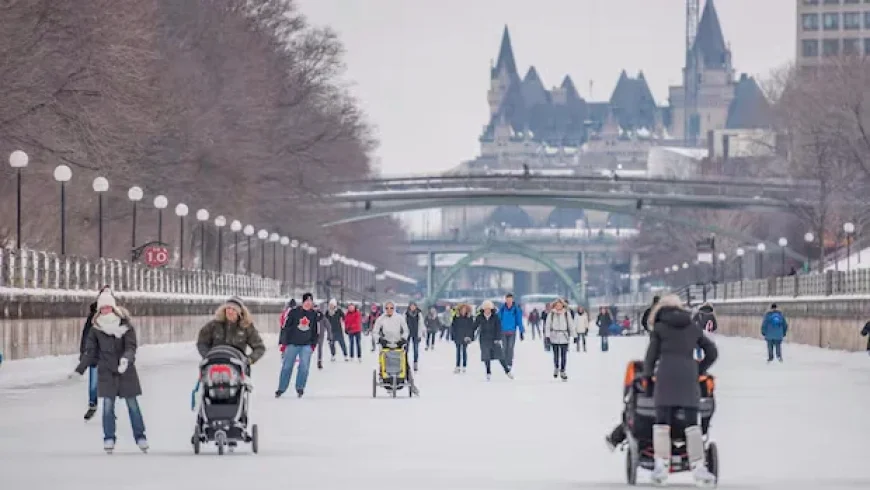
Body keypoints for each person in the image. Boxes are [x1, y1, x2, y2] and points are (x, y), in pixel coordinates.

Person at [640, 294, 718, 486]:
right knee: (692, 424)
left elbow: (651, 357)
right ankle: (698, 466)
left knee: (662, 422)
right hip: (688, 377)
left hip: (665, 376)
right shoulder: (692, 326)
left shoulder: (659, 328)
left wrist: (647, 378)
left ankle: (661, 465)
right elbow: (712, 352)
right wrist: (698, 369)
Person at [73, 289, 148, 453]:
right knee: (107, 406)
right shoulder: (96, 329)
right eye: (102, 308)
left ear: (113, 308)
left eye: (108, 307)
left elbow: (131, 346)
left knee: (133, 405)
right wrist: (80, 370)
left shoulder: (125, 326)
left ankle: (140, 436)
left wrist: (126, 359)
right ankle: (109, 438)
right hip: (106, 372)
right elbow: (90, 352)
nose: (105, 310)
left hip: (125, 371)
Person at [277, 292, 321, 398]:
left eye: (310, 301)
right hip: (292, 343)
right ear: (303, 302)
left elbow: (316, 330)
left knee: (304, 367)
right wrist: (283, 343)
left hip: (306, 344)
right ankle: (281, 388)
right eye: (306, 301)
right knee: (287, 366)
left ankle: (300, 387)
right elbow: (286, 327)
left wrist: (313, 344)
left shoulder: (314, 314)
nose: (308, 303)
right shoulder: (294, 312)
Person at [373, 301, 418, 395]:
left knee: (404, 363)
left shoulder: (399, 318)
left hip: (398, 344)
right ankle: (384, 378)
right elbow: (375, 332)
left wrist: (403, 339)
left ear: (394, 308)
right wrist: (379, 339)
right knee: (384, 362)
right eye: (387, 308)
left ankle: (411, 383)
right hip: (386, 344)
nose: (389, 310)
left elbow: (406, 330)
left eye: (391, 308)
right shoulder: (381, 319)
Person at [80, 285, 110, 421]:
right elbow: (86, 333)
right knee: (93, 383)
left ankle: (109, 409)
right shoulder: (93, 314)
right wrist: (83, 351)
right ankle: (92, 405)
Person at [475, 300, 512, 380]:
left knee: (500, 356)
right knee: (486, 356)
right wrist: (470, 335)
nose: (487, 310)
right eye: (485, 309)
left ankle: (507, 371)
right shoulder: (480, 317)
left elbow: (499, 328)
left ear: (491, 309)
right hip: (484, 339)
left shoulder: (495, 317)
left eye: (489, 308)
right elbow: (474, 327)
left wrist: (498, 338)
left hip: (494, 339)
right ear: (483, 309)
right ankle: (488, 372)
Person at [544, 298, 576, 380]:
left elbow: (571, 325)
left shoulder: (566, 314)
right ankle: (556, 367)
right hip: (554, 335)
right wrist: (547, 336)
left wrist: (574, 336)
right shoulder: (551, 314)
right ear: (554, 306)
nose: (558, 306)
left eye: (560, 305)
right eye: (557, 305)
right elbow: (547, 326)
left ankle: (563, 370)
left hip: (564, 336)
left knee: (563, 355)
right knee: (556, 355)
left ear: (563, 305)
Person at [497, 293, 525, 371]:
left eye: (510, 299)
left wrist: (521, 332)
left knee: (510, 348)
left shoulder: (516, 309)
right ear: (505, 300)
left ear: (512, 300)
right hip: (503, 331)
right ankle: (505, 363)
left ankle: (509, 363)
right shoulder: (502, 309)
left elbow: (519, 321)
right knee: (504, 348)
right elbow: (498, 319)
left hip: (512, 332)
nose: (509, 301)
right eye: (507, 299)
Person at [450, 303, 475, 373]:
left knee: (464, 351)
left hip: (466, 337)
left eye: (465, 309)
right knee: (458, 351)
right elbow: (453, 327)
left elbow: (471, 328)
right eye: (462, 309)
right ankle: (457, 366)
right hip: (458, 336)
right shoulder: (456, 317)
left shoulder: (469, 317)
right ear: (460, 310)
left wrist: (471, 337)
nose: (463, 311)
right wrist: (453, 336)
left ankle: (464, 366)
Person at [405, 302, 422, 371]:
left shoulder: (419, 314)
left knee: (416, 349)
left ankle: (415, 363)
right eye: (411, 306)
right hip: (407, 333)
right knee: (406, 349)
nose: (412, 307)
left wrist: (420, 334)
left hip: (416, 333)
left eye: (414, 306)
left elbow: (421, 324)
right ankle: (405, 362)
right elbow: (403, 323)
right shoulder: (406, 313)